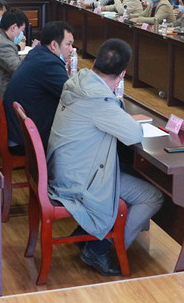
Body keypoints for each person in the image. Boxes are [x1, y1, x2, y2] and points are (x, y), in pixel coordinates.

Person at [47, 39, 164, 276]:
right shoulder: (98, 100)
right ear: (122, 75)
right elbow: (133, 135)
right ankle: (101, 248)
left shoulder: (78, 81)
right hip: (78, 180)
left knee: (127, 169)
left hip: (62, 168)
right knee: (152, 196)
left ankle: (88, 234)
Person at [4, 21, 74, 153]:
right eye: (68, 44)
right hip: (24, 140)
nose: (71, 49)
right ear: (54, 45)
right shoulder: (49, 63)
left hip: (16, 132)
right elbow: (72, 97)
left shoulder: (38, 53)